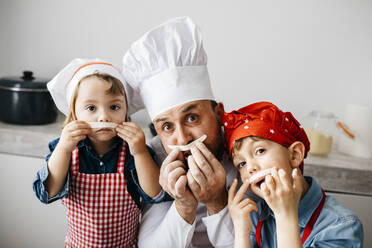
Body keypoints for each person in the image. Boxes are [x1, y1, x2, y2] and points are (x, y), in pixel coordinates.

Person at [122, 16, 238, 247]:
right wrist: (183, 206)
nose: (183, 139)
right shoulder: (154, 159)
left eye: (192, 118)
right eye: (167, 127)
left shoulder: (247, 153)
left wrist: (217, 202)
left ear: (219, 114)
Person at [32, 58, 167, 248]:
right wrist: (63, 148)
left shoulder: (133, 150)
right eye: (91, 108)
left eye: (114, 107)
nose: (103, 116)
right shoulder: (66, 151)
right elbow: (46, 193)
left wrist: (140, 152)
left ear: (126, 111)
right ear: (74, 114)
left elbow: (155, 194)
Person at [223, 101, 364, 248]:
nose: (250, 167)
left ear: (295, 155)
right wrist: (241, 232)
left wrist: (285, 215)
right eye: (242, 164)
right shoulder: (253, 216)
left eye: (260, 151)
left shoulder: (342, 226)